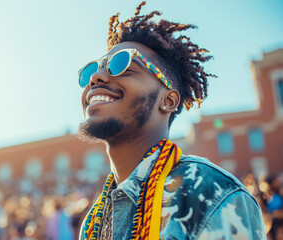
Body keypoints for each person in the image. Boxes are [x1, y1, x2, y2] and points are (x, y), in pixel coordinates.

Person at [76, 2, 266, 239]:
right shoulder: (93, 221)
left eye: (120, 64)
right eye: (93, 70)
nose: (96, 77)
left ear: (168, 100)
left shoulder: (212, 194)